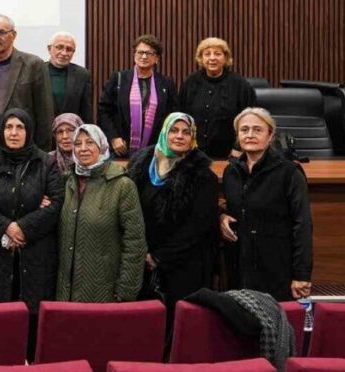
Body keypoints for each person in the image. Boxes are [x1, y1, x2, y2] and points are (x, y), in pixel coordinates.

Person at [0, 109, 62, 357]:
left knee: (32, 327)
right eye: (8, 127)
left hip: (35, 255)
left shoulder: (47, 163)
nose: (13, 133)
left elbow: (56, 203)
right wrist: (6, 227)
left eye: (19, 127)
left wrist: (23, 228)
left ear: (29, 131)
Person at [126, 113, 219, 310]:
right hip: (142, 262)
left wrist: (159, 257)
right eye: (174, 131)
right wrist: (140, 253)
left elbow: (197, 227)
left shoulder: (202, 175)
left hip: (184, 265)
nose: (179, 136)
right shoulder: (140, 165)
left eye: (186, 132)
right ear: (164, 133)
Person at [220, 108, 313, 301]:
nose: (250, 135)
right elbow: (233, 208)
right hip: (240, 271)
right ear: (238, 136)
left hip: (276, 270)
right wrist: (220, 216)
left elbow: (302, 224)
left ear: (270, 135)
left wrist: (301, 275)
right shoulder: (231, 172)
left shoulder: (289, 172)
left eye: (257, 130)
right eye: (244, 130)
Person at [56, 124, 146, 302]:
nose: (83, 149)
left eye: (90, 142)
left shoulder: (122, 186)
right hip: (65, 292)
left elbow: (135, 242)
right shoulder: (66, 182)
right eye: (78, 143)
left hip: (104, 291)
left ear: (102, 146)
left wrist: (126, 289)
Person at [0, 14, 55, 152]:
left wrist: (41, 155)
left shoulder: (33, 65)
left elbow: (44, 114)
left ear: (13, 35)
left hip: (22, 151)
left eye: (1, 32)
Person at [98, 34, 177, 157]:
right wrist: (113, 138)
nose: (144, 56)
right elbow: (104, 111)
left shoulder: (166, 83)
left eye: (149, 53)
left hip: (156, 151)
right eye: (140, 52)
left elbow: (172, 115)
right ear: (134, 55)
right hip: (121, 148)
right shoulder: (119, 79)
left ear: (156, 58)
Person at [177, 37, 256, 159]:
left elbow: (251, 120)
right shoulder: (190, 82)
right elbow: (179, 116)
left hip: (228, 156)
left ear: (226, 58)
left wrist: (238, 148)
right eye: (207, 54)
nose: (212, 58)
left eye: (217, 54)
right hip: (192, 154)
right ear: (201, 59)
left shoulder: (240, 85)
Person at [46, 31, 93, 124]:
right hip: (42, 133)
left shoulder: (82, 75)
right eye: (59, 47)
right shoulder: (37, 71)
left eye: (69, 49)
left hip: (71, 133)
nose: (64, 53)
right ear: (49, 48)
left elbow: (86, 111)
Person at [47, 113, 84, 178]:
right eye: (60, 132)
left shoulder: (90, 160)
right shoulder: (47, 161)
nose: (65, 136)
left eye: (70, 130)